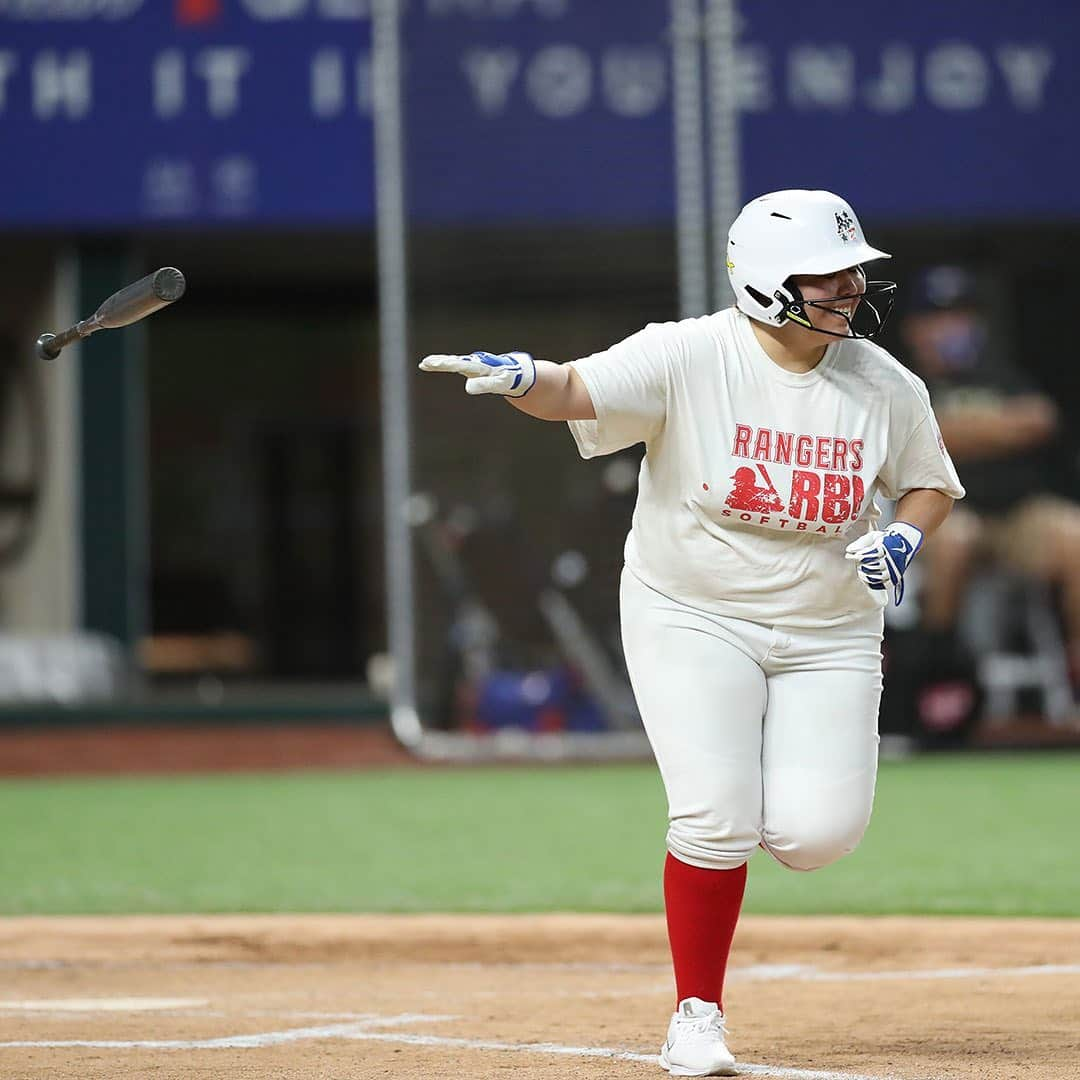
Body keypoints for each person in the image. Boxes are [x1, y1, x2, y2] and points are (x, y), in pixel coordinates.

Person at [419, 189, 964, 1077]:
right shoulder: (689, 353)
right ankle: (697, 1015)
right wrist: (525, 379)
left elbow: (928, 483)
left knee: (817, 836)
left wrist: (903, 535)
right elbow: (577, 388)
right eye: (827, 274)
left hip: (830, 628)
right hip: (692, 611)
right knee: (715, 817)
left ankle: (750, 889)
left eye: (853, 271)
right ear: (764, 283)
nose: (852, 287)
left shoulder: (886, 383)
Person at [898, 265, 1080, 687]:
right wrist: (997, 430)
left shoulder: (1000, 374)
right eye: (939, 317)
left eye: (961, 316)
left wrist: (956, 432)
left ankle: (1074, 680)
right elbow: (910, 437)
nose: (952, 327)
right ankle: (936, 678)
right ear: (915, 328)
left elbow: (1040, 419)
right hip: (946, 516)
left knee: (1075, 536)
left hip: (1015, 516)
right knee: (955, 541)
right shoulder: (903, 381)